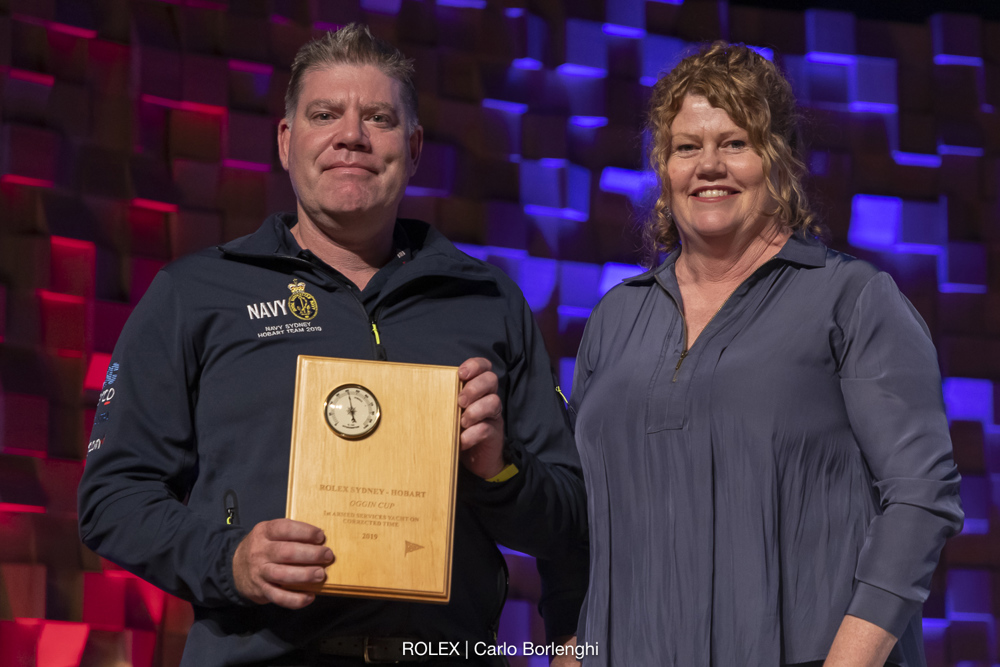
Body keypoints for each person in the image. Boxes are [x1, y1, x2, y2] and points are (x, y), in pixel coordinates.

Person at [78, 24, 587, 666]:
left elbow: (569, 519)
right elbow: (112, 498)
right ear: (287, 142)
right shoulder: (195, 293)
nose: (353, 135)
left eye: (379, 117)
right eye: (326, 114)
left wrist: (499, 468)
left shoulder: (488, 300)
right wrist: (229, 559)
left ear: (415, 146)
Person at [569, 42, 963, 666]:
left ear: (779, 159)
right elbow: (580, 523)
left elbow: (921, 498)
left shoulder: (853, 299)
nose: (708, 166)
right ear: (664, 170)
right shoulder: (617, 316)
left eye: (735, 143)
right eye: (686, 147)